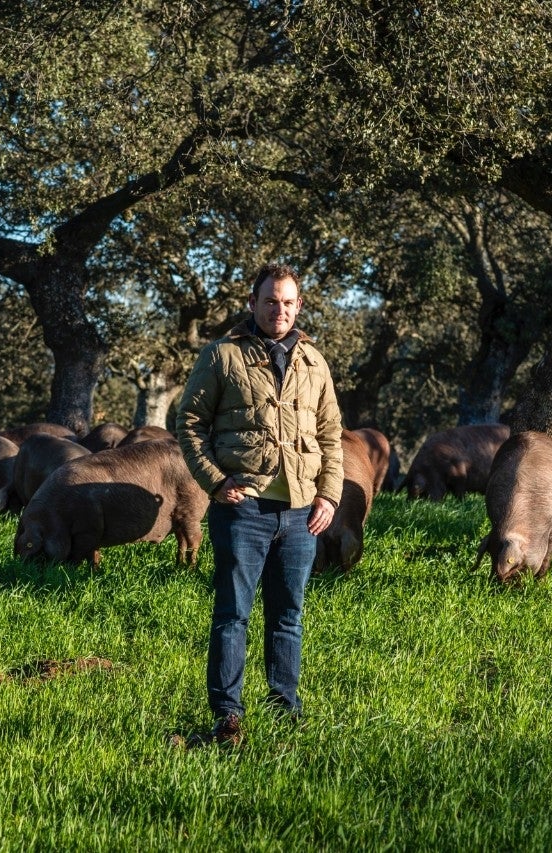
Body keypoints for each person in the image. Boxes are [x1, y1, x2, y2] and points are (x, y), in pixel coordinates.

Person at [175, 262, 343, 747]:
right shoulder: (222, 355)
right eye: (270, 301)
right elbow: (189, 423)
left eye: (288, 302)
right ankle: (228, 717)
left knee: (287, 616)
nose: (280, 310)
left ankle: (283, 710)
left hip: (301, 513)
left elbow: (331, 435)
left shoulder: (314, 362)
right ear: (253, 304)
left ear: (299, 306)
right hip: (242, 509)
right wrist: (214, 481)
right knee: (233, 615)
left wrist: (329, 494)